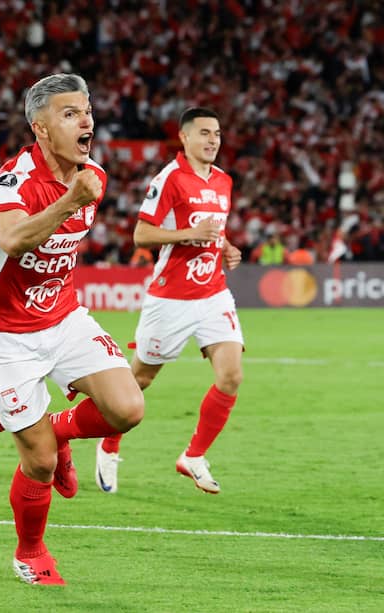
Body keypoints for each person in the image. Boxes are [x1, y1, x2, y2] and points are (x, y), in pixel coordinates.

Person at [0, 73, 145, 585]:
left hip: (63, 317)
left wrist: (77, 193)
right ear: (41, 128)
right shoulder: (13, 181)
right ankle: (30, 552)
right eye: (70, 113)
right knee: (40, 463)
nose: (86, 120)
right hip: (5, 334)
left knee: (127, 408)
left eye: (87, 111)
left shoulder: (94, 175)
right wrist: (69, 200)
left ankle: (61, 429)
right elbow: (13, 240)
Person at [95, 107, 243, 495]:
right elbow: (142, 235)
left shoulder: (224, 180)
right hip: (171, 299)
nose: (213, 140)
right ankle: (108, 444)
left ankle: (193, 456)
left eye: (217, 134)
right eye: (205, 133)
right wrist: (187, 234)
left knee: (231, 375)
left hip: (213, 293)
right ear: (184, 137)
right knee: (139, 380)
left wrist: (226, 247)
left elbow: (215, 230)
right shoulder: (170, 179)